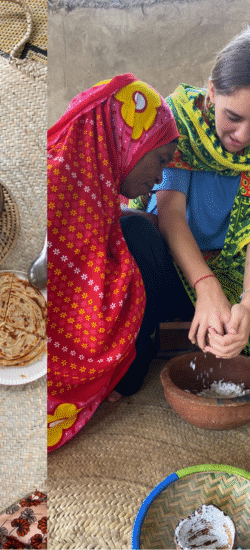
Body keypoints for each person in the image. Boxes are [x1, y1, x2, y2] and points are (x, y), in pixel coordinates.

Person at [47, 74, 179, 452]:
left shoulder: (86, 181)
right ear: (126, 140)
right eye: (160, 160)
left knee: (137, 227)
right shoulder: (57, 182)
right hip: (53, 360)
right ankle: (123, 375)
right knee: (138, 232)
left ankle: (130, 370)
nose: (159, 177)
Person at [117, 27, 250, 398]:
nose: (242, 136)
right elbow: (171, 214)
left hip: (234, 270)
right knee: (135, 235)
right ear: (211, 92)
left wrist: (246, 305)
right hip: (176, 266)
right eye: (233, 116)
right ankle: (138, 349)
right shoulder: (180, 122)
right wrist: (206, 288)